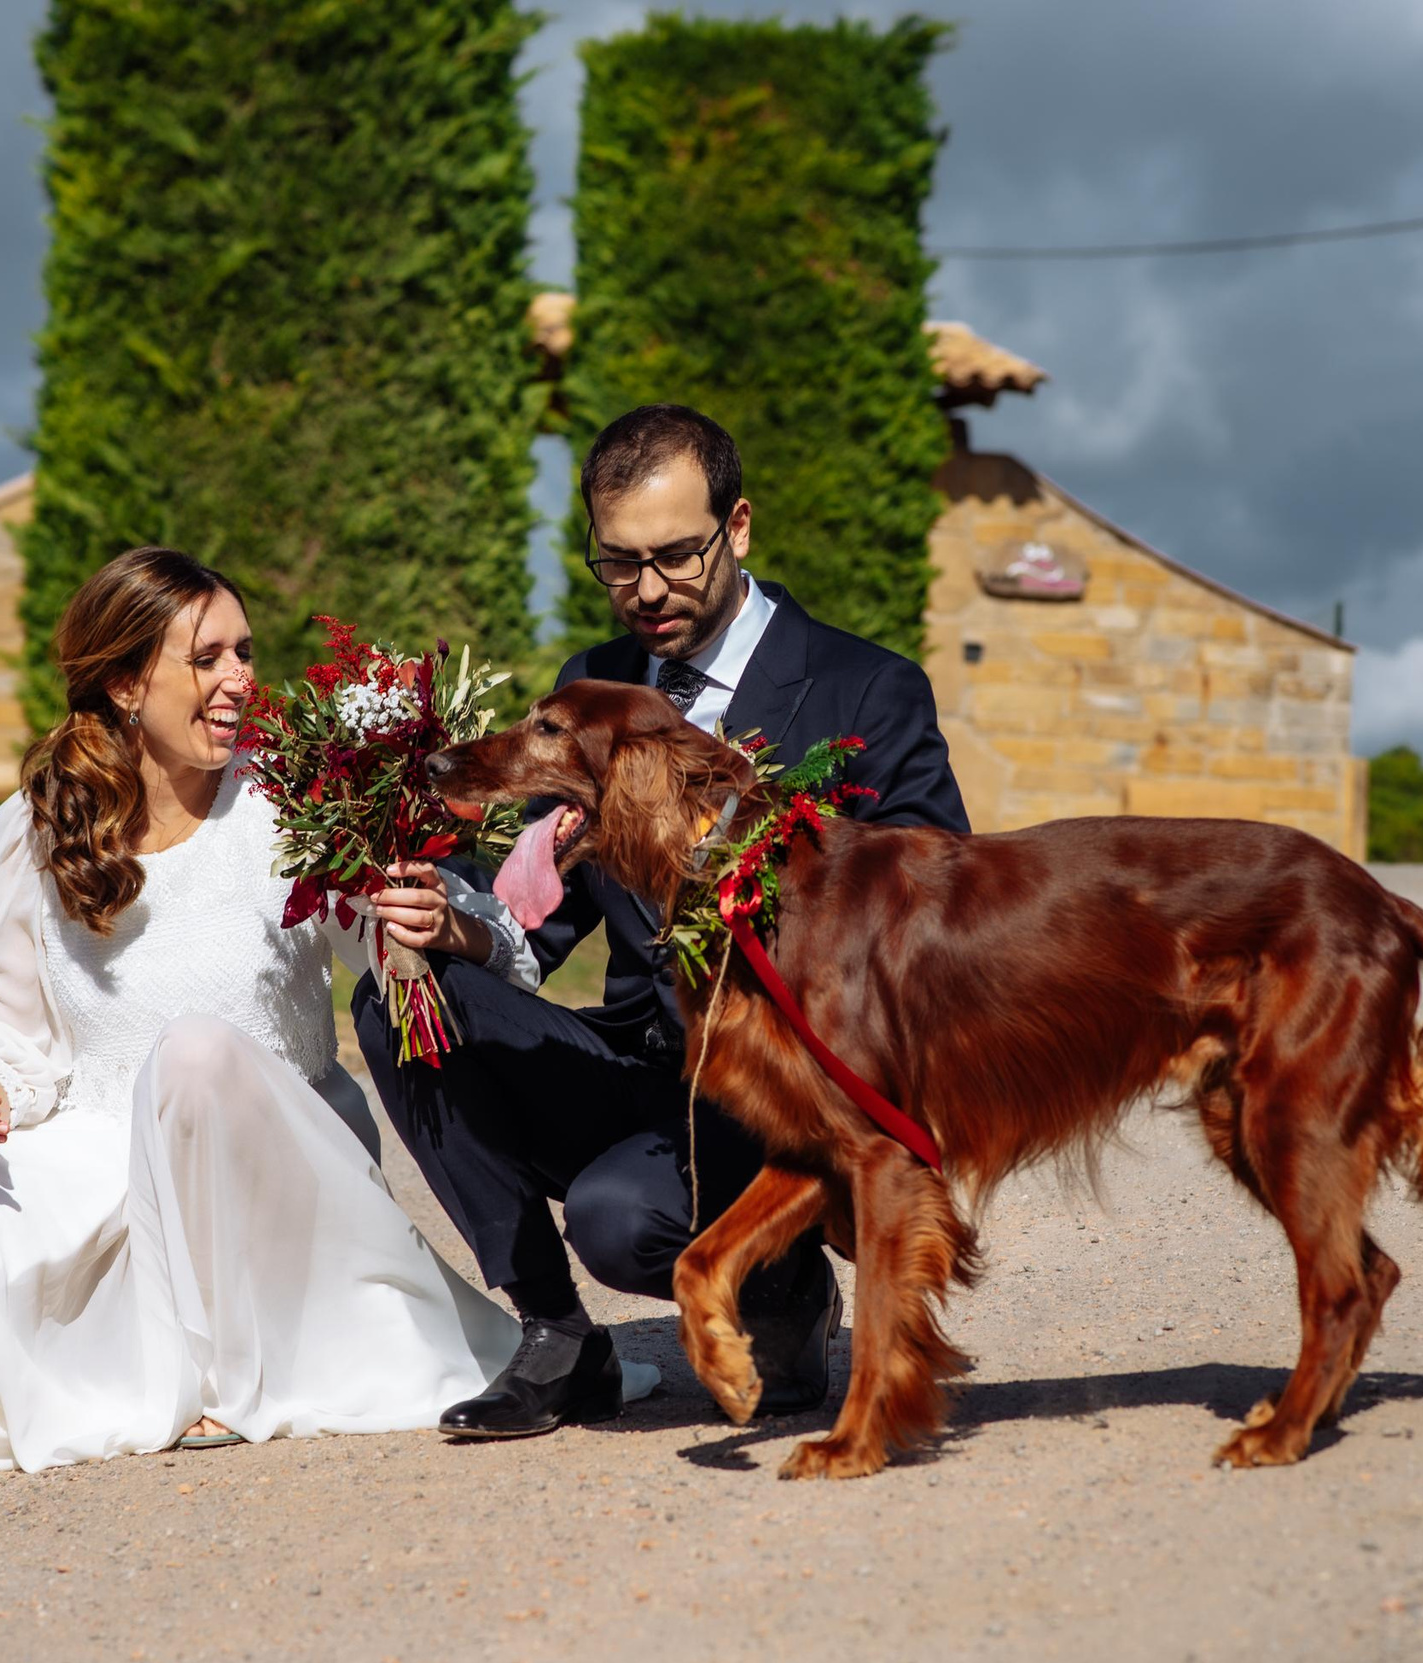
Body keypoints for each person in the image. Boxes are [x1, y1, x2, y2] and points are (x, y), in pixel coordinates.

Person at [0, 546, 597, 1481]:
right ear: (128, 681)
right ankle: (118, 1383)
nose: (240, 681)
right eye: (207, 658)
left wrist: (436, 920)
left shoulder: (295, 801)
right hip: (105, 1139)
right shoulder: (27, 829)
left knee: (197, 1056)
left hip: (272, 1152)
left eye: (245, 653)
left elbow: (406, 952)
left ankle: (226, 1372)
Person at [354, 404, 970, 1440]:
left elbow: (938, 918)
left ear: (737, 528)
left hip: (793, 1086)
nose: (645, 591)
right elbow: (536, 929)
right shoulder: (590, 686)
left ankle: (783, 1290)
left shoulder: (868, 687)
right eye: (617, 563)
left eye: (675, 557)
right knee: (401, 996)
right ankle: (553, 1334)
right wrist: (455, 927)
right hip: (650, 1064)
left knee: (619, 1219)